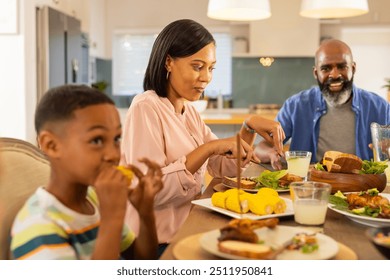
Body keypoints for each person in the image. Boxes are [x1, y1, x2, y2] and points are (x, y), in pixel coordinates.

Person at [120, 19, 285, 253]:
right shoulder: (145, 107)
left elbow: (224, 166)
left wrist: (248, 128)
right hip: (154, 244)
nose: (206, 77)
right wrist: (207, 149)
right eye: (198, 67)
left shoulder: (188, 112)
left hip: (189, 228)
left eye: (211, 68)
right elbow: (148, 191)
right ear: (168, 62)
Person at [10, 85, 163, 260]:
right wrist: (112, 218)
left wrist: (145, 213)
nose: (114, 155)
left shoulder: (95, 198)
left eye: (116, 139)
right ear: (51, 145)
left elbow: (141, 261)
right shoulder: (37, 227)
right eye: (97, 140)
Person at [256, 39, 390, 169]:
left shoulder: (380, 107)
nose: (335, 74)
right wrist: (270, 153)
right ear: (316, 73)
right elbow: (261, 148)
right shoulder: (295, 106)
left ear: (353, 68)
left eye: (342, 66)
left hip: (362, 188)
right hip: (311, 187)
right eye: (326, 68)